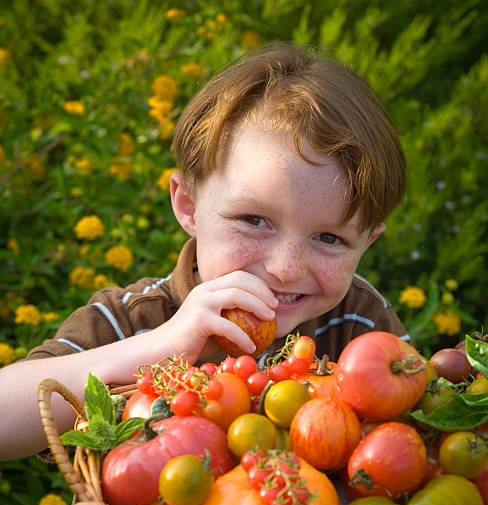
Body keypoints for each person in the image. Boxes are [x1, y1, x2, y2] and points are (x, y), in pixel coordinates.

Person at [0, 42, 410, 461]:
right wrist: (161, 346)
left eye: (330, 239)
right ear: (189, 206)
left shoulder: (361, 326)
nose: (286, 269)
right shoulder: (136, 319)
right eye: (254, 220)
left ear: (367, 242)